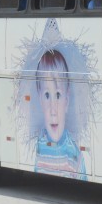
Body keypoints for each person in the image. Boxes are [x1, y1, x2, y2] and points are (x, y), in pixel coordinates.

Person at [34, 49, 86, 177]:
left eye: (58, 95)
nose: (53, 110)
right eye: (47, 95)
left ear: (67, 101)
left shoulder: (74, 155)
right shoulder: (38, 145)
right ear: (40, 100)